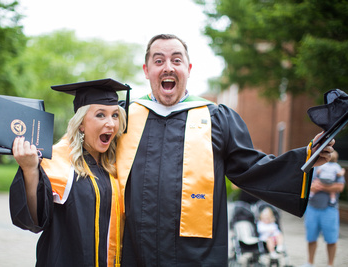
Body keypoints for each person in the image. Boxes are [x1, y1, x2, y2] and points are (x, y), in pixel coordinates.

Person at [115, 34, 335, 266]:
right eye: (158, 61)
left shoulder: (215, 119)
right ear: (146, 70)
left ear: (188, 69)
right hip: (133, 250)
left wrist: (306, 157)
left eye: (176, 60)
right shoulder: (124, 119)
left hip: (196, 255)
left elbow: (252, 168)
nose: (168, 67)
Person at [9, 79, 129, 267]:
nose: (111, 124)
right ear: (81, 123)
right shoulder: (58, 160)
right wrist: (30, 169)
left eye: (115, 115)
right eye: (100, 115)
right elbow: (33, 220)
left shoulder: (116, 165)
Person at [300, 150, 346, 267]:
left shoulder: (336, 168)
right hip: (312, 208)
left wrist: (321, 186)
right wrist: (327, 187)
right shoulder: (313, 168)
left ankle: (330, 264)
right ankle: (309, 263)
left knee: (331, 239)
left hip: (329, 210)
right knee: (311, 238)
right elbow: (306, 186)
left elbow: (339, 187)